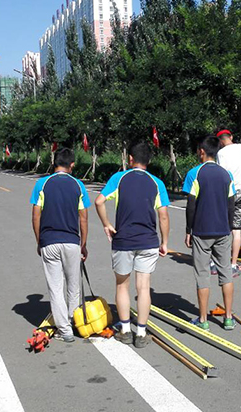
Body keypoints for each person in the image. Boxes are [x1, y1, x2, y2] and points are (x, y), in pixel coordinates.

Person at [95, 142, 170, 348]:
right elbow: (163, 215)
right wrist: (164, 242)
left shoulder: (118, 178)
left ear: (130, 159)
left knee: (122, 285)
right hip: (148, 241)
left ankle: (126, 330)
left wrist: (107, 224)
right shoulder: (157, 183)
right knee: (143, 287)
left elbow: (99, 201)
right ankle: (142, 332)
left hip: (123, 240)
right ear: (149, 161)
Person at [30, 148, 90, 343]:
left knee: (55, 288)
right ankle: (73, 321)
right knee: (73, 286)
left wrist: (39, 241)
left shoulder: (42, 183)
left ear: (54, 163)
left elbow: (36, 215)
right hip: (72, 242)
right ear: (72, 165)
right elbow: (83, 218)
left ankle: (65, 330)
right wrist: (83, 244)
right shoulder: (78, 185)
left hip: (49, 241)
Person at [182, 136, 236, 331]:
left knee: (202, 275)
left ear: (202, 151)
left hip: (201, 231)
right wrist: (229, 227)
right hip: (223, 230)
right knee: (226, 272)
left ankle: (203, 319)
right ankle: (228, 318)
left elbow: (191, 205)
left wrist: (189, 230)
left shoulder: (194, 173)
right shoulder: (227, 174)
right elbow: (231, 204)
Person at [215, 129, 241, 274]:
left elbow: (220, 173)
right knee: (237, 229)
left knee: (223, 227)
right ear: (231, 136)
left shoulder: (221, 153)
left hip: (228, 191)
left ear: (220, 141)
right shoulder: (240, 148)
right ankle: (233, 264)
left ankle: (219, 261)